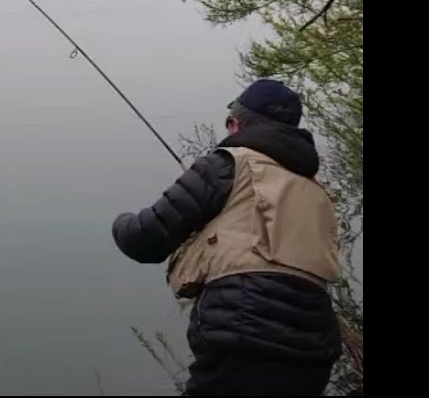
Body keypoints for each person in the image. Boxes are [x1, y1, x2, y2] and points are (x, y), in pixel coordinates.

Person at [112, 79, 342, 396]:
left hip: (242, 340)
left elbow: (145, 239)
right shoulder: (319, 193)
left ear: (235, 124)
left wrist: (120, 220)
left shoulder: (225, 165)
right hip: (316, 353)